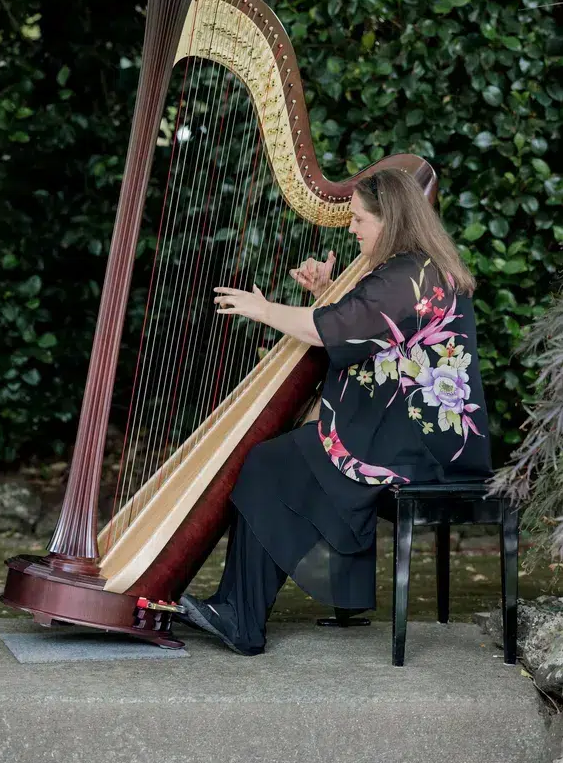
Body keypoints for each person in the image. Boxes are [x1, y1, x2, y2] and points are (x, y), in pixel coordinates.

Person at [177, 168, 493, 655]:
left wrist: (263, 309)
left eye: (361, 219)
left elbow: (333, 332)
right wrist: (324, 294)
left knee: (268, 463)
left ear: (392, 221)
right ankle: (245, 606)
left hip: (419, 442)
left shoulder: (409, 275)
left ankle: (241, 615)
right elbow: (360, 327)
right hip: (414, 428)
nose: (352, 229)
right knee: (284, 459)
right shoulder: (413, 269)